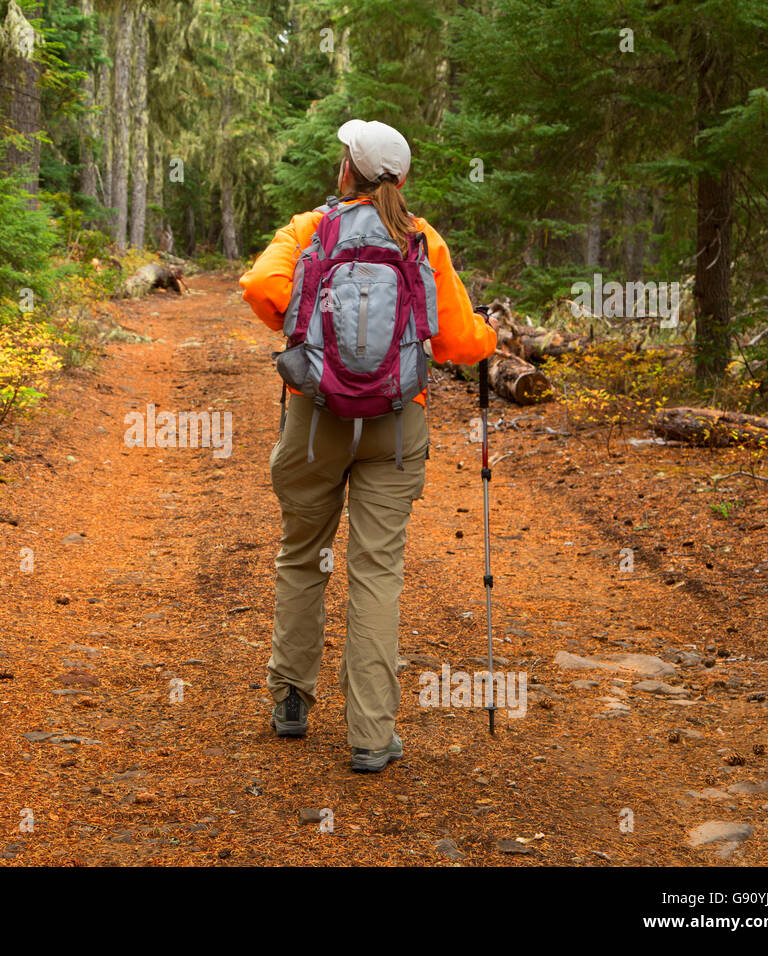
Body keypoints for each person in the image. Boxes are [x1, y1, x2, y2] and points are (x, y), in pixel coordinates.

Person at [239, 119, 498, 773]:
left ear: (344, 171)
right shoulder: (421, 240)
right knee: (376, 573)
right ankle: (370, 736)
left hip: (315, 419)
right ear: (402, 180)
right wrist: (491, 338)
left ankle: (291, 703)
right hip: (394, 425)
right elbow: (459, 343)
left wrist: (303, 326)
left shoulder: (310, 230)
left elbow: (259, 288)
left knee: (303, 557)